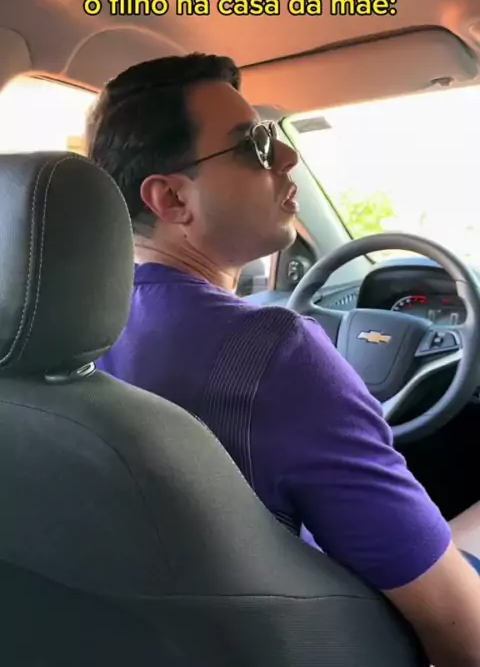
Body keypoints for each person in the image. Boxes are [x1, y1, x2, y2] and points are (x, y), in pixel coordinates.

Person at [87, 53, 480, 667]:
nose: (288, 157)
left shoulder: (58, 336)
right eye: (255, 145)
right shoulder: (273, 352)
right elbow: (462, 631)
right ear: (173, 198)